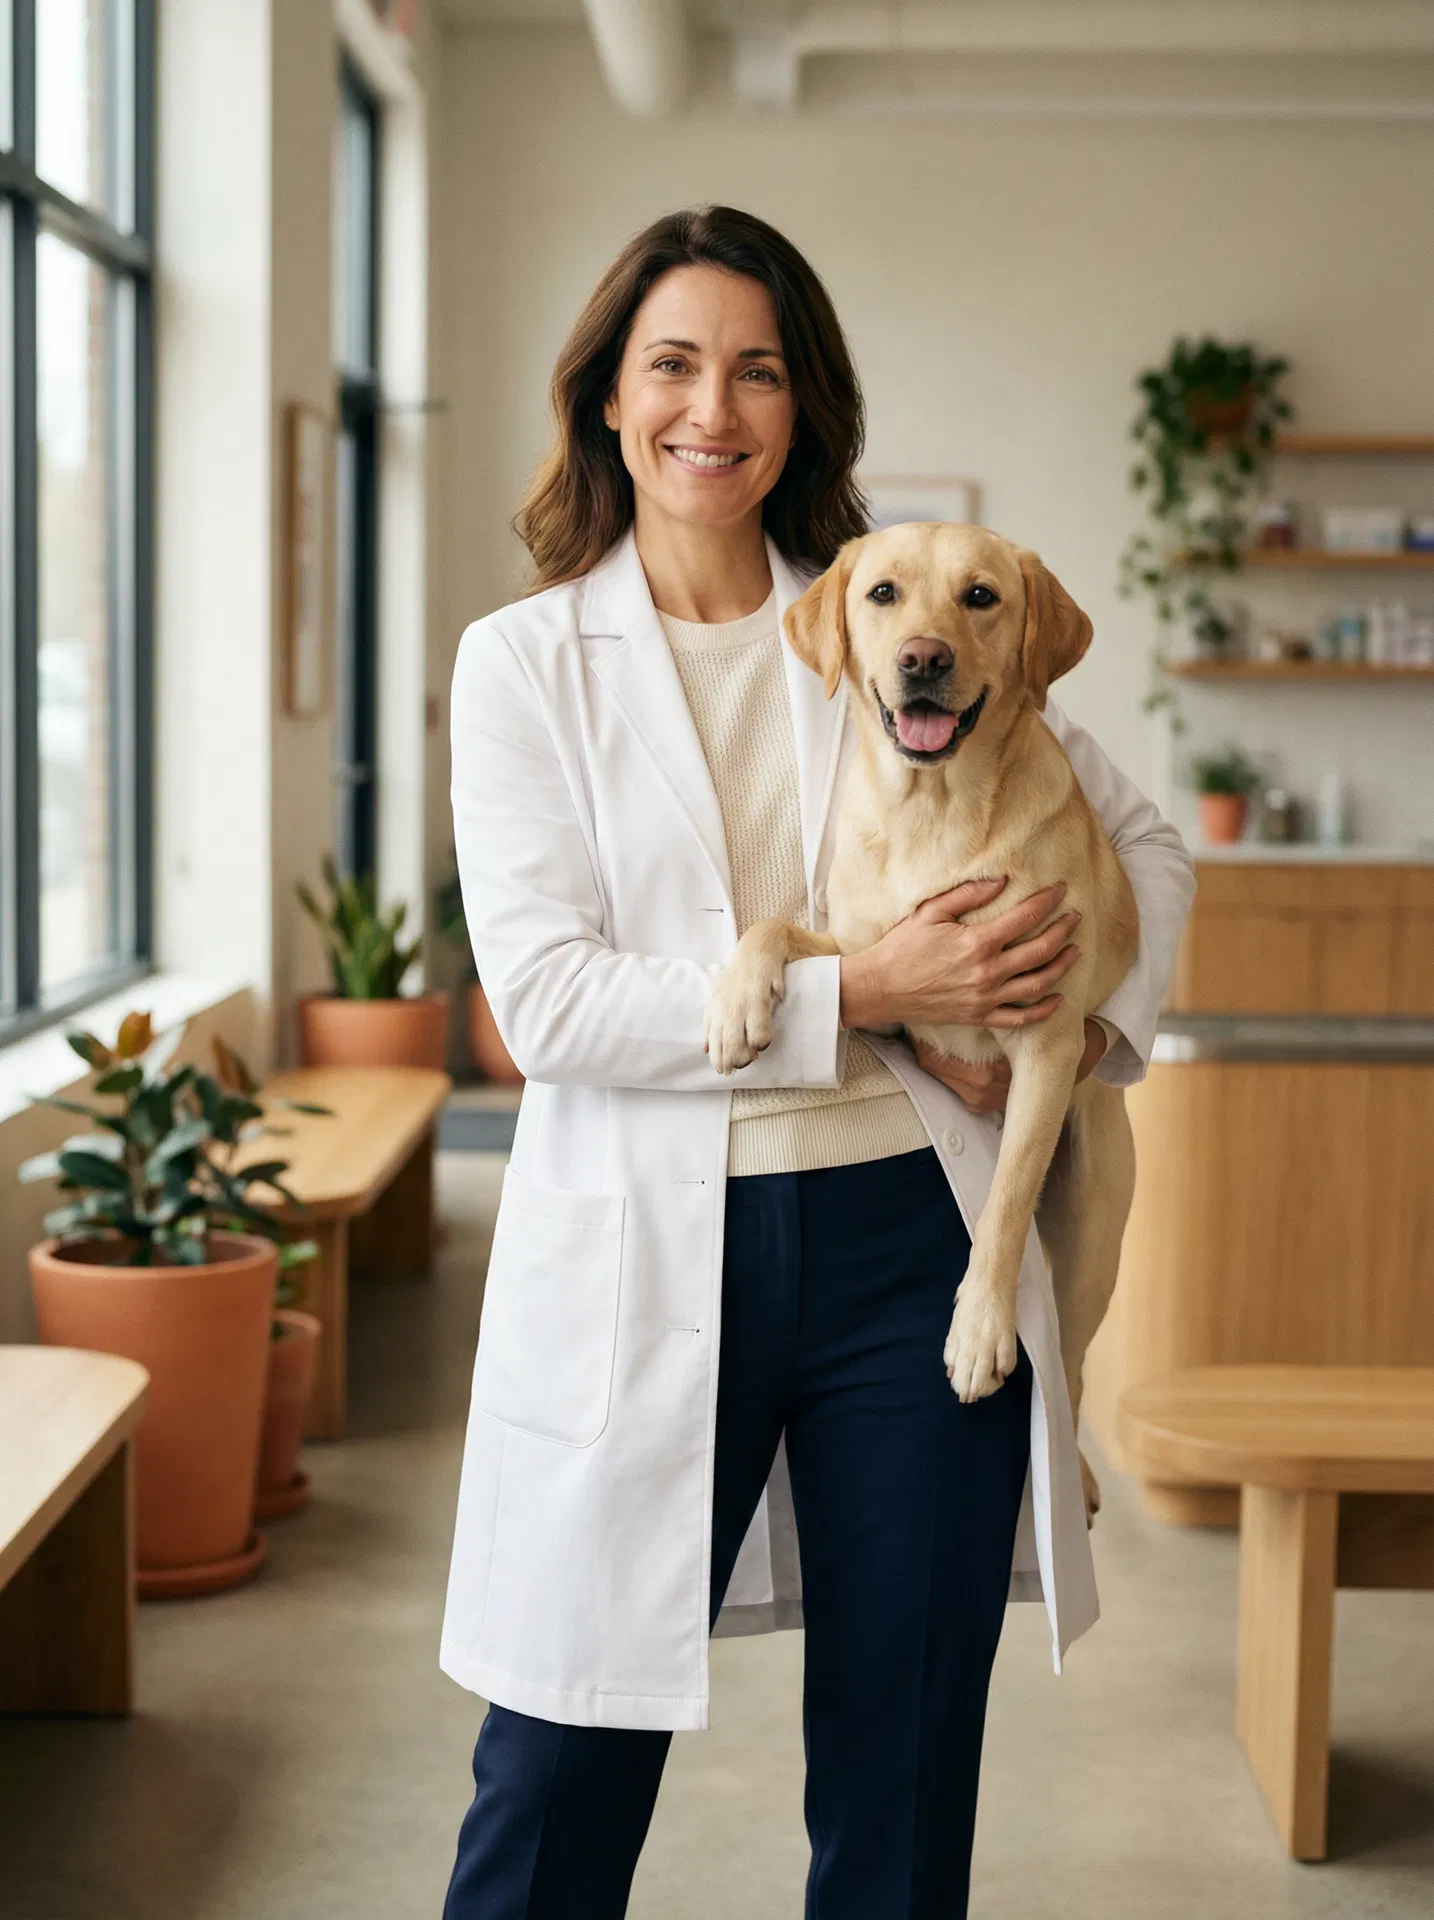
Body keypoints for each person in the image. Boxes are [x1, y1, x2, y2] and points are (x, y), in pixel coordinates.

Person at [440, 205, 1195, 1920]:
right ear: (610, 400)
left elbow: (1143, 849)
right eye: (674, 365)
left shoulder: (899, 618)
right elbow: (543, 1005)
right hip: (649, 1250)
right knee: (556, 1767)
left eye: (758, 370)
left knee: (904, 1751)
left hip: (906, 1247)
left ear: (804, 410)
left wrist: (1067, 1029)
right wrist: (856, 986)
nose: (715, 407)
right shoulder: (523, 665)